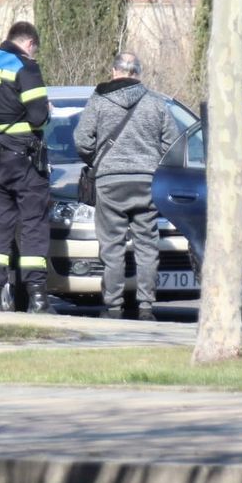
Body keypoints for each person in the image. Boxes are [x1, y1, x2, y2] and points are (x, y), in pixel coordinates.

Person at [74, 51, 179, 321]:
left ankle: (113, 307)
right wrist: (154, 163)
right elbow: (173, 144)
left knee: (112, 247)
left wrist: (97, 161)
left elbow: (82, 141)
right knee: (147, 246)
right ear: (138, 73)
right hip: (147, 181)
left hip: (110, 182)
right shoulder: (155, 102)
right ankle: (146, 307)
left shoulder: (99, 100)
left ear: (114, 71)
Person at [0, 21, 52, 313]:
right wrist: (46, 111)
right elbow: (38, 117)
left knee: (1, 224)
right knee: (33, 224)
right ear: (29, 43)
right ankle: (37, 297)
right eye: (34, 50)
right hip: (23, 158)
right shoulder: (25, 67)